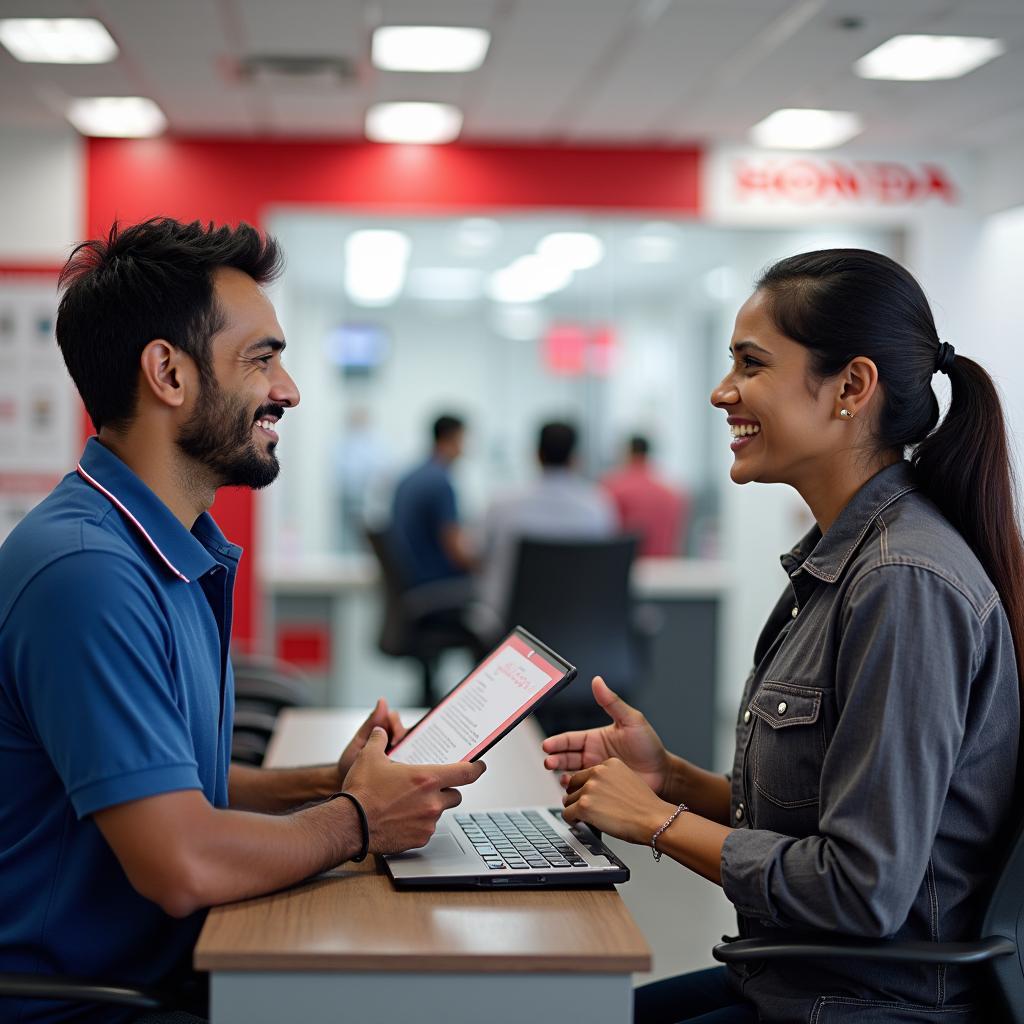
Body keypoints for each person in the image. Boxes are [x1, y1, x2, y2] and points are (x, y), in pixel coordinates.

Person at [0, 219, 484, 1024]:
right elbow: (181, 860)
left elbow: (173, 791)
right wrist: (362, 820)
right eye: (262, 358)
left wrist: (328, 784)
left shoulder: (161, 547)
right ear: (168, 373)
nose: (289, 390)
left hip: (160, 972)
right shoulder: (88, 572)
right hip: (86, 1005)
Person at [543, 249, 1022, 1023]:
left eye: (751, 364)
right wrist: (670, 779)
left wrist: (656, 822)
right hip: (796, 983)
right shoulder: (848, 563)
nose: (721, 391)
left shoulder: (903, 583)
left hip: (866, 1006)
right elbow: (823, 819)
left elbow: (861, 887)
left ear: (851, 388)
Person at [478, 420, 616, 622]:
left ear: (537, 455)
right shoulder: (597, 506)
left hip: (509, 629)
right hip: (576, 625)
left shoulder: (502, 504)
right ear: (575, 459)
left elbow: (477, 555)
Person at [389, 413, 475, 589]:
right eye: (462, 441)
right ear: (451, 440)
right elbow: (455, 549)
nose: (464, 449)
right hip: (434, 584)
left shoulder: (408, 478)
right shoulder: (440, 483)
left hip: (409, 581)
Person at [601, 434, 689, 557]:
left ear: (628, 452)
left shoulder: (612, 489)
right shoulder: (671, 493)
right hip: (666, 567)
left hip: (626, 567)